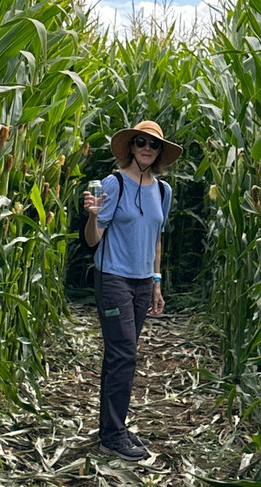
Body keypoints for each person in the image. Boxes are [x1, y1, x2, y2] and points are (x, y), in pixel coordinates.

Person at [82, 119, 181, 462]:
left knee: (120, 353)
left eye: (154, 145)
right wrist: (93, 215)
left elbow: (156, 238)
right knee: (124, 354)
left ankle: (112, 427)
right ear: (131, 146)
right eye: (141, 142)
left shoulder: (162, 191)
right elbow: (93, 240)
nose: (147, 148)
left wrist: (156, 282)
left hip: (141, 283)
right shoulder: (114, 184)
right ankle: (113, 434)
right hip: (113, 278)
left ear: (160, 153)